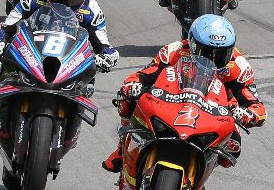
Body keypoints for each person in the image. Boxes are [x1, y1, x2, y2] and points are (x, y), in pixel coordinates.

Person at [103, 15, 265, 173]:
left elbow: (257, 107)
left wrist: (246, 114)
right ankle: (122, 147)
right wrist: (133, 84)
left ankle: (201, 169)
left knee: (233, 147)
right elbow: (144, 75)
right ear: (193, 43)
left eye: (221, 53)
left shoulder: (239, 66)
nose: (213, 59)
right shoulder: (174, 51)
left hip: (215, 112)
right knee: (127, 99)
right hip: (173, 100)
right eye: (206, 52)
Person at [0, 0, 118, 135]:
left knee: (88, 84)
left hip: (70, 59)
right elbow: (6, 26)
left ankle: (71, 128)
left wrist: (108, 56)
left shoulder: (92, 9)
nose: (67, 0)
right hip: (35, 51)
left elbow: (103, 43)